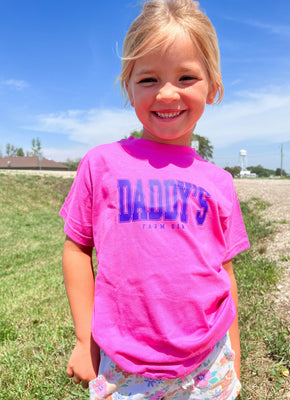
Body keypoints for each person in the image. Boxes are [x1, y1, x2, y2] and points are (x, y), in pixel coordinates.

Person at [60, 0, 250, 399]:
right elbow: (77, 247)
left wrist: (235, 353)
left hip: (210, 361)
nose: (166, 93)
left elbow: (225, 273)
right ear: (128, 86)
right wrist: (84, 339)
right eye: (148, 79)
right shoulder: (102, 164)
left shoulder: (219, 181)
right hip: (126, 365)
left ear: (212, 88)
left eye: (186, 77)